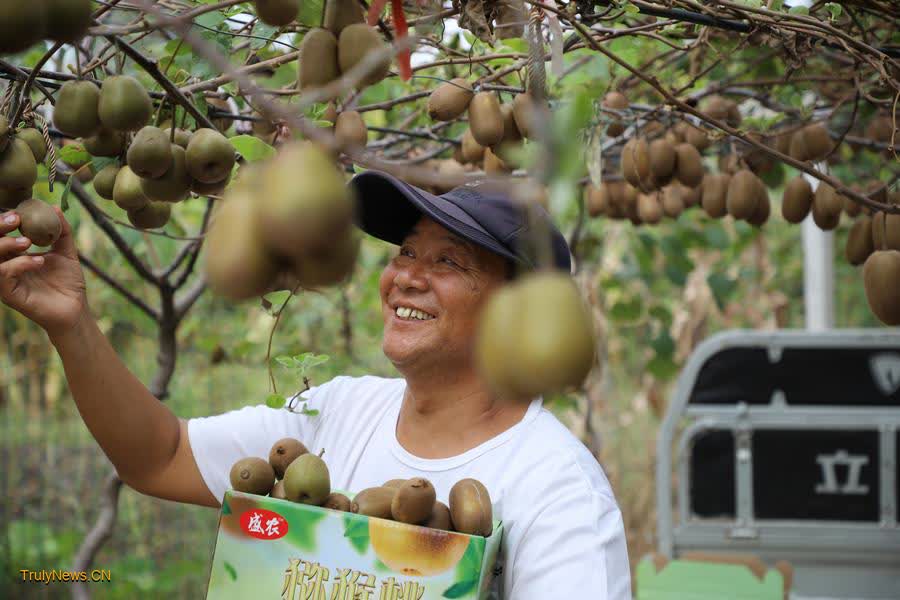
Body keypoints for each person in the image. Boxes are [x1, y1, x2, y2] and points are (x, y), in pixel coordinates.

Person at [0, 170, 632, 599]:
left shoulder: (557, 490)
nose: (406, 277)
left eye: (447, 261)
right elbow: (158, 456)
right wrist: (71, 323)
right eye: (406, 253)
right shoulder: (337, 412)